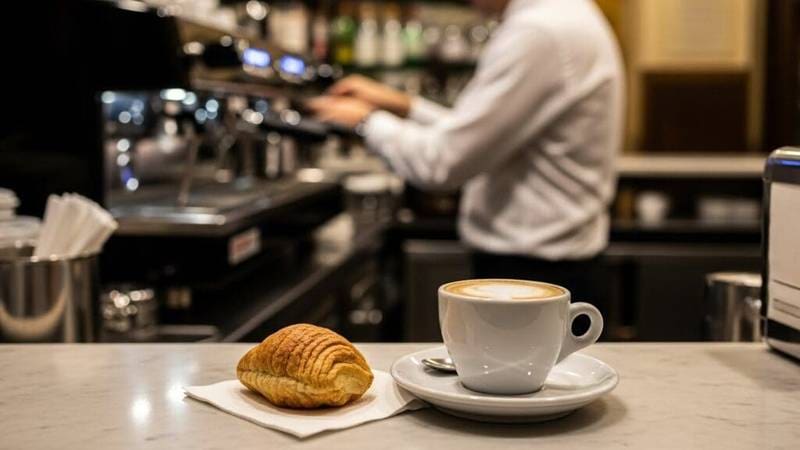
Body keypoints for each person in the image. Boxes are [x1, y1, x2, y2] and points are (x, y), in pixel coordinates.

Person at [308, 0, 624, 302]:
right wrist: (404, 105)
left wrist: (366, 121)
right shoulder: (561, 16)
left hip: (534, 273)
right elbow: (482, 133)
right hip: (551, 267)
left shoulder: (539, 32)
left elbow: (444, 163)